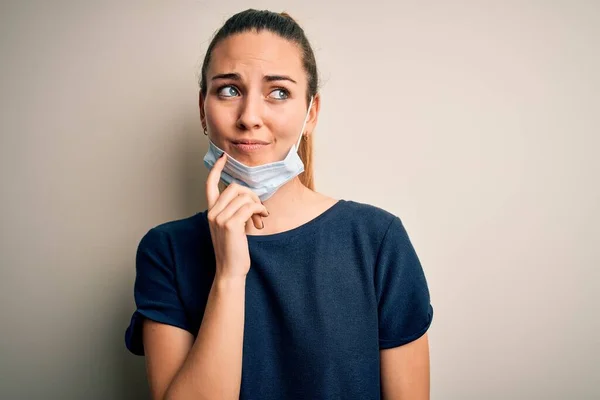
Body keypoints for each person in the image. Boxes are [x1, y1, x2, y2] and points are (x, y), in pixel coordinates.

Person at [125, 9, 434, 400]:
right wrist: (229, 277)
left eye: (279, 92)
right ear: (203, 110)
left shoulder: (377, 240)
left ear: (311, 113)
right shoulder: (165, 251)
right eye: (229, 90)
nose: (250, 117)